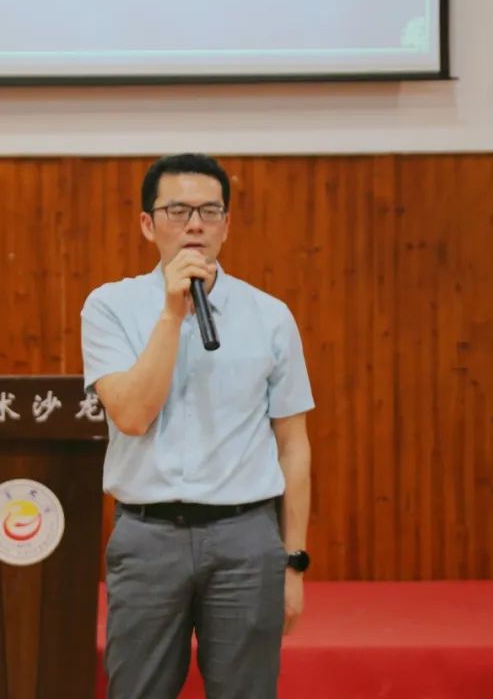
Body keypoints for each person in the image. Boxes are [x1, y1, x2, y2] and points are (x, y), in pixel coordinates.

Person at [80, 153, 315, 699]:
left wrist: (294, 562)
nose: (195, 225)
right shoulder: (110, 307)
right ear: (148, 224)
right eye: (178, 211)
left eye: (210, 211)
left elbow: (293, 445)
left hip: (245, 539)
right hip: (148, 536)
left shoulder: (269, 315)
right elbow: (132, 415)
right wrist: (172, 313)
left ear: (226, 225)